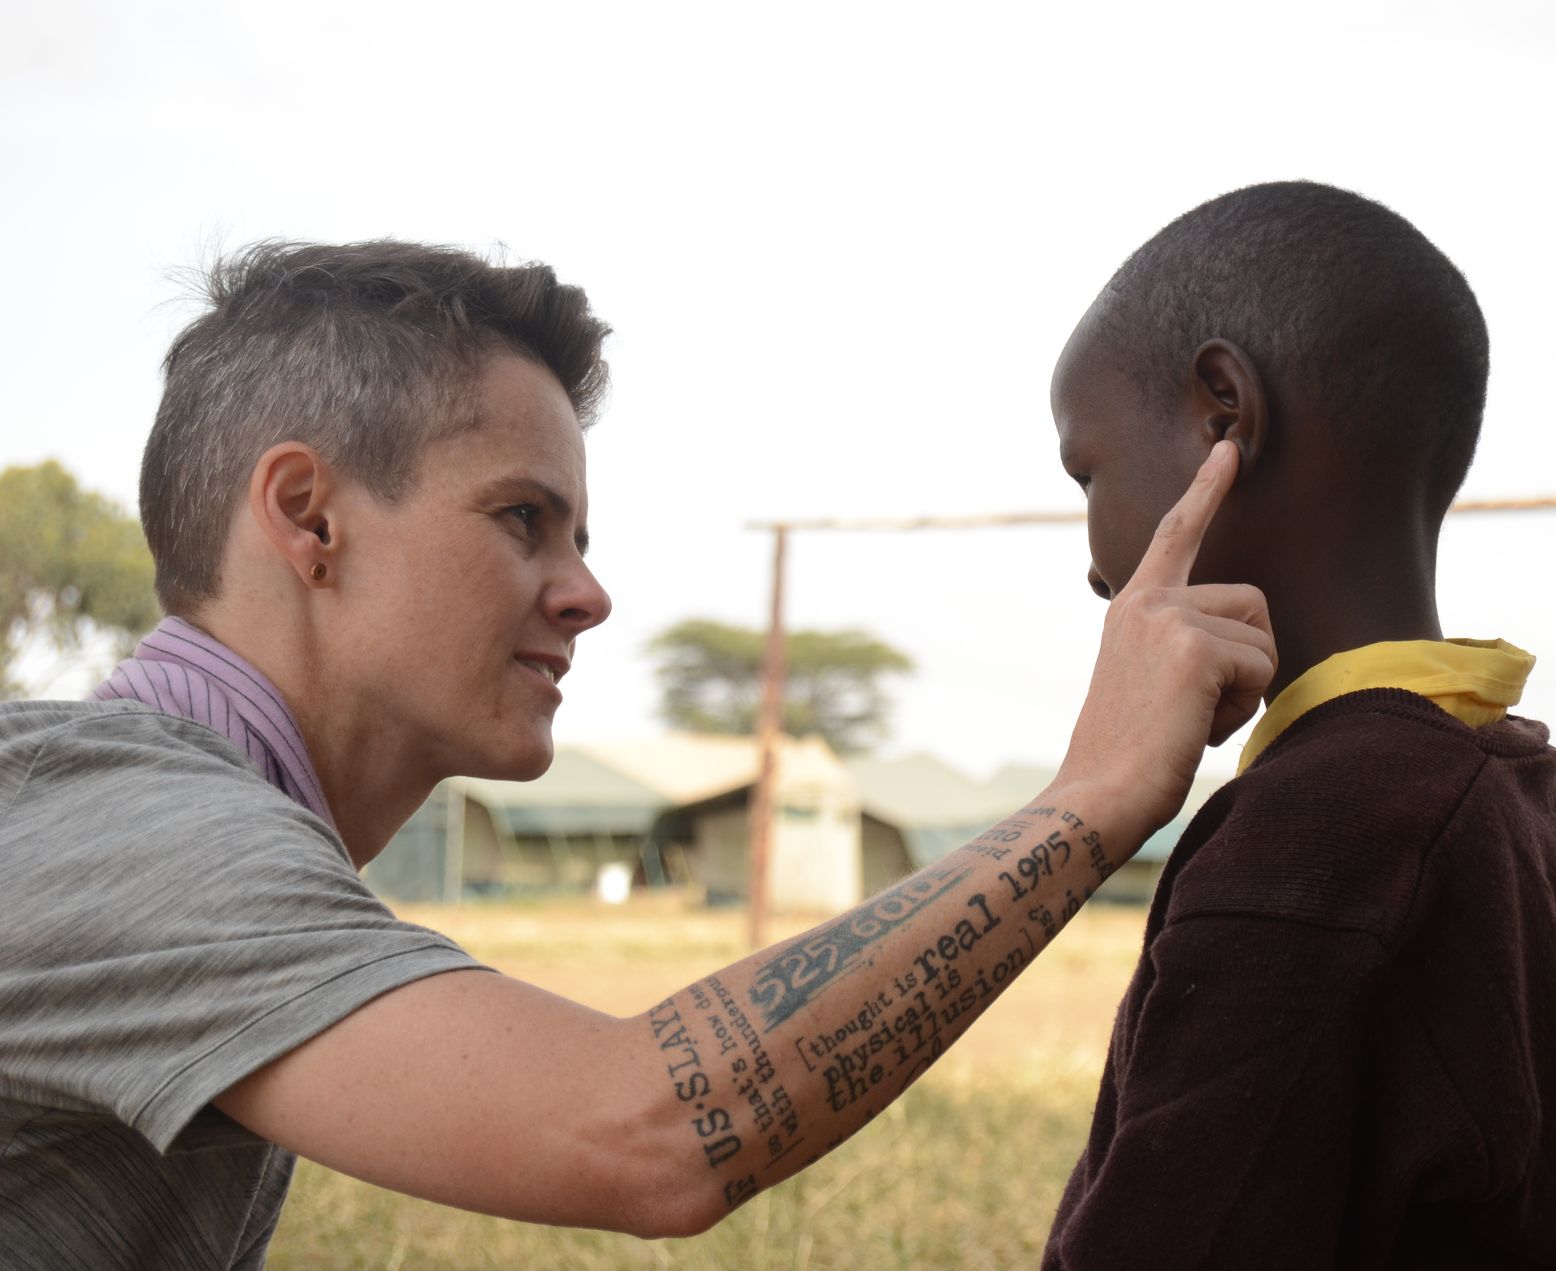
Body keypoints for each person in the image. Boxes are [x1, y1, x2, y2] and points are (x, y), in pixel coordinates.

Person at [0, 240, 1277, 1268]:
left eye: (580, 537)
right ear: (307, 514)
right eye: (523, 518)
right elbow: (648, 1127)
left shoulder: (158, 820)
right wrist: (1093, 794)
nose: (587, 594)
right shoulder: (133, 829)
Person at [1041, 182, 1556, 1269]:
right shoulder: (1514, 786)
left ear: (1224, 415)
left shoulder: (1311, 838)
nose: (1092, 568)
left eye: (1088, 473)